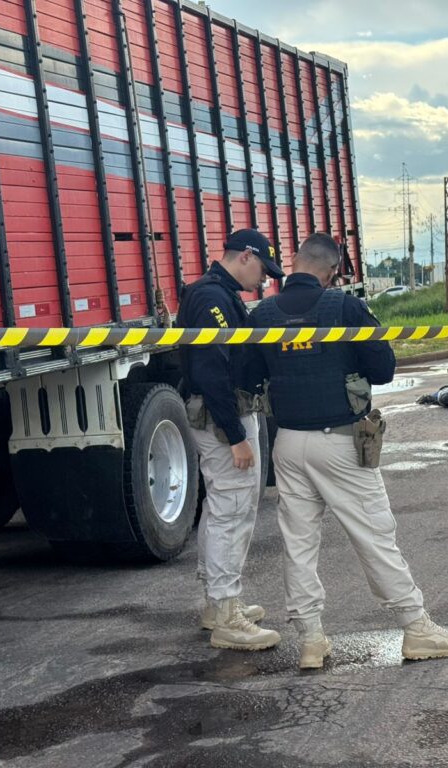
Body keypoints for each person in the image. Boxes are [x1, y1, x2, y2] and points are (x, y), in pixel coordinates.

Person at [249, 233, 448, 669]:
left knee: (298, 543)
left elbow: (250, 370)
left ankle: (311, 640)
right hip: (340, 441)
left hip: (288, 441)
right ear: (332, 271)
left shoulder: (265, 312)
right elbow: (383, 368)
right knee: (374, 535)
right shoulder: (345, 308)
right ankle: (416, 627)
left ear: (294, 264)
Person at [176, 228, 285, 652]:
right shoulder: (212, 298)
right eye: (262, 268)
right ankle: (226, 614)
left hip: (224, 414)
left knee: (223, 505)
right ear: (245, 257)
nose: (263, 279)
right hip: (224, 418)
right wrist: (237, 436)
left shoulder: (216, 293)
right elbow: (210, 372)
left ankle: (218, 601)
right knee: (233, 508)